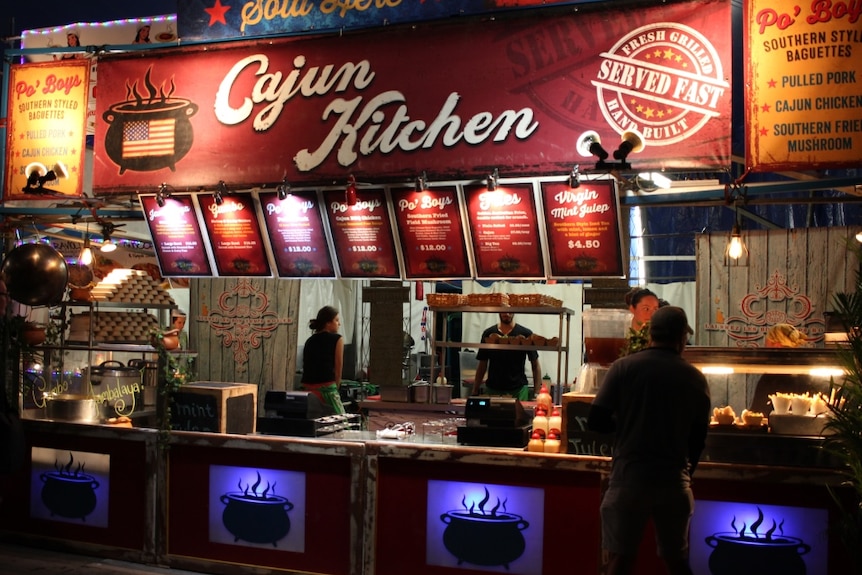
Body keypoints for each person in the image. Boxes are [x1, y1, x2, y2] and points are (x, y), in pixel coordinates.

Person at [587, 306, 711, 575]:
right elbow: (698, 437)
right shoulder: (694, 377)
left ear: (650, 335)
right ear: (681, 338)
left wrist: (627, 425)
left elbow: (595, 421)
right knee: (676, 561)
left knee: (620, 561)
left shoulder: (623, 368)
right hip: (673, 482)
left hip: (628, 479)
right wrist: (689, 471)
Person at [471, 312, 541, 400]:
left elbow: (535, 365)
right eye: (504, 310)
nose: (507, 314)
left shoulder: (525, 334)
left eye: (510, 311)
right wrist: (475, 390)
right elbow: (482, 365)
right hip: (493, 389)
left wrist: (537, 393)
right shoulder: (489, 334)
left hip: (518, 390)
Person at [300, 306, 345, 414]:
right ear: (328, 323)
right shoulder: (337, 339)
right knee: (341, 423)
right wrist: (336, 389)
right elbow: (338, 369)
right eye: (336, 320)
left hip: (308, 389)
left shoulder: (309, 341)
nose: (339, 324)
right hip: (327, 388)